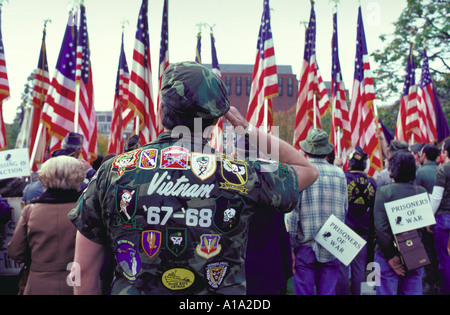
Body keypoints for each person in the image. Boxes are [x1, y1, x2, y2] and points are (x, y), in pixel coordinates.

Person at [68, 61, 318, 295]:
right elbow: (306, 170)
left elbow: (83, 270)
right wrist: (244, 127)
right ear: (218, 119)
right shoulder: (241, 174)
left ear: (161, 108)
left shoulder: (113, 171)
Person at [7, 156, 85, 295]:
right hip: (77, 284)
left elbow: (15, 252)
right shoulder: (86, 211)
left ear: (44, 177)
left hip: (37, 285)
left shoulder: (30, 212)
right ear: (78, 177)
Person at [286, 128, 348, 295]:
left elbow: (292, 216)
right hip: (332, 244)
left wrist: (289, 247)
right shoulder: (340, 174)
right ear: (326, 151)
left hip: (305, 246)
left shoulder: (298, 174)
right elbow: (344, 209)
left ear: (306, 151)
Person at [373, 150, 427, 295]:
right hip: (414, 251)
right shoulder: (421, 192)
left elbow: (380, 228)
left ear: (392, 169)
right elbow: (424, 227)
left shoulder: (383, 192)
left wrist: (391, 257)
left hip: (385, 254)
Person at [336, 145, 377, 295]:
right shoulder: (372, 182)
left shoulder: (342, 178)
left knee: (342, 269)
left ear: (350, 163)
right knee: (360, 269)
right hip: (363, 232)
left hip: (344, 230)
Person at [415, 143, 441, 294]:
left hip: (426, 219)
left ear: (423, 155)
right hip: (442, 217)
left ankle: (429, 282)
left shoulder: (420, 173)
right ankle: (438, 281)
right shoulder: (441, 170)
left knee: (427, 250)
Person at [429, 138, 450, 295]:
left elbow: (436, 198)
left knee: (445, 259)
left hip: (444, 218)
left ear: (446, 153)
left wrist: (429, 217)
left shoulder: (443, 170)